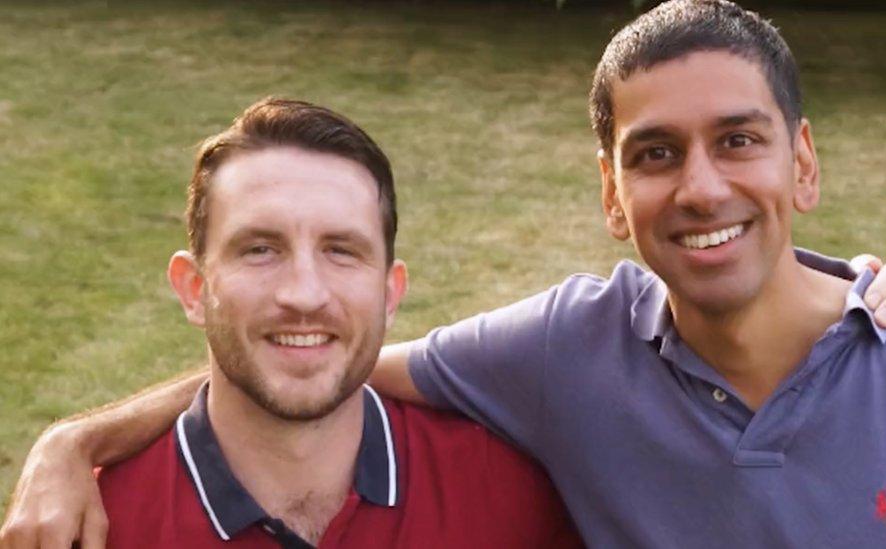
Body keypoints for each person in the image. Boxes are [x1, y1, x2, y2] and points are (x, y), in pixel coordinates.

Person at [2, 1, 886, 548]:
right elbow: (314, 357)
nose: (701, 187)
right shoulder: (567, 353)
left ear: (801, 163)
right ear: (610, 193)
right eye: (654, 154)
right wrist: (75, 439)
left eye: (738, 141)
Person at [63, 98, 583, 548]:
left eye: (341, 250)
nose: (304, 294)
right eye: (261, 249)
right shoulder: (93, 521)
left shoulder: (506, 496)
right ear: (194, 288)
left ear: (389, 292)